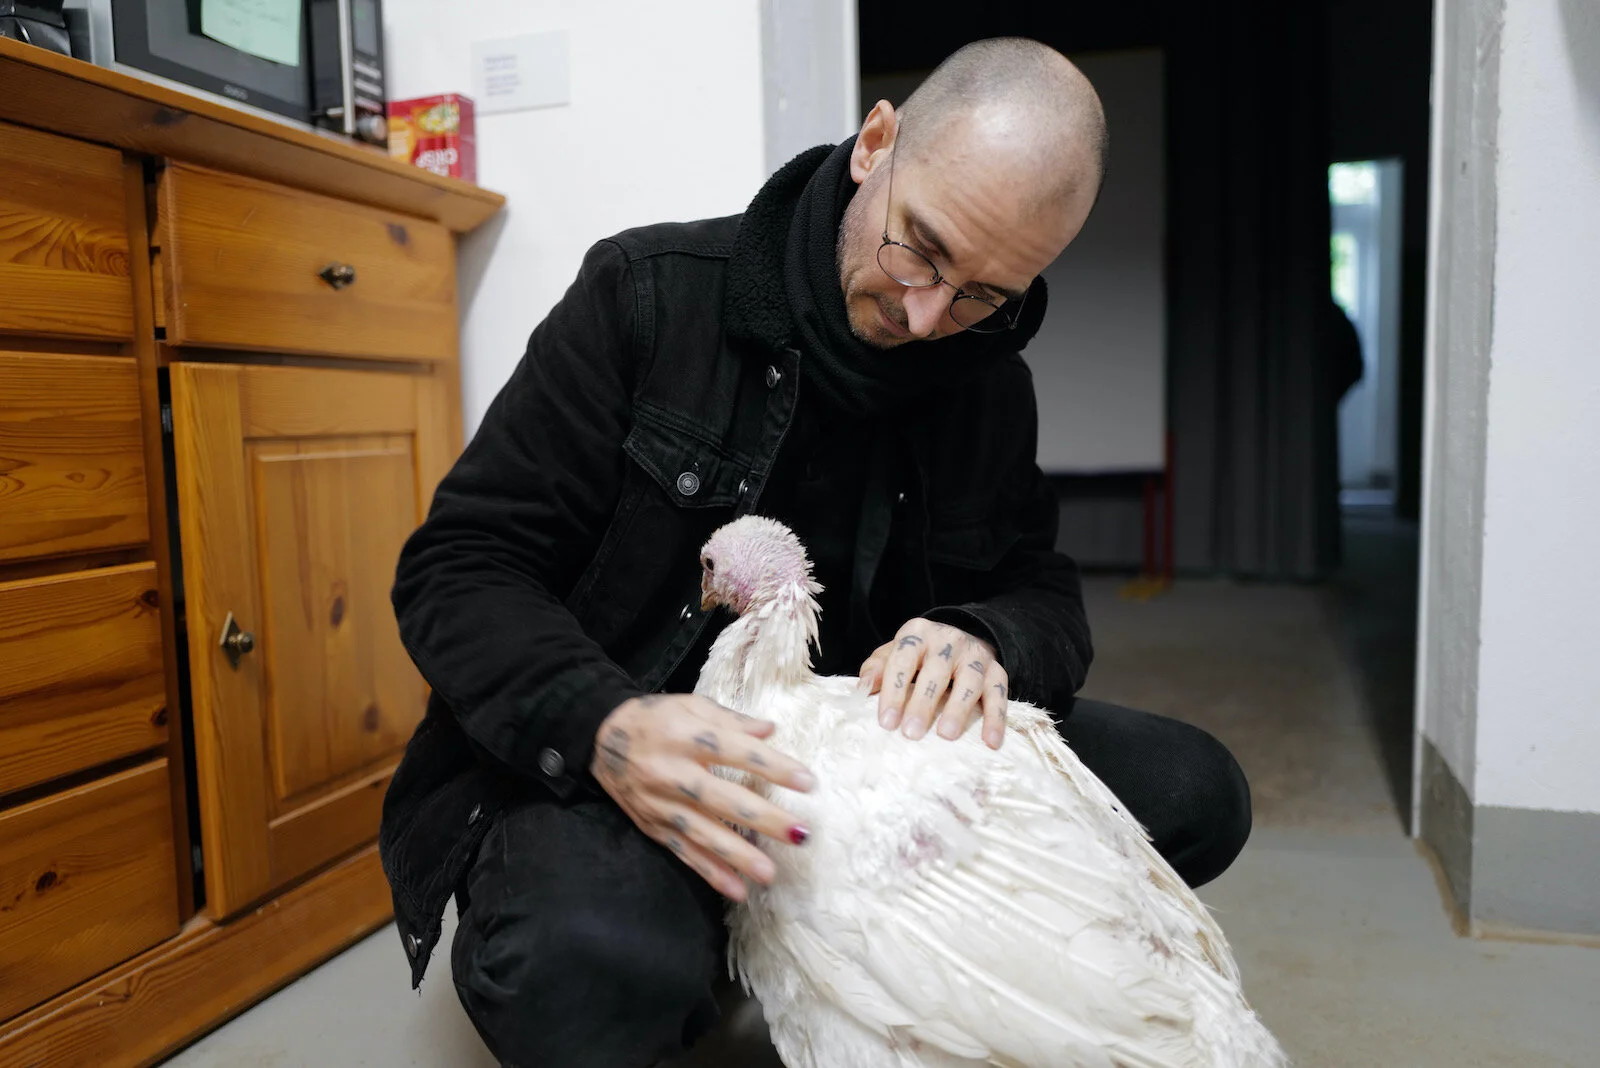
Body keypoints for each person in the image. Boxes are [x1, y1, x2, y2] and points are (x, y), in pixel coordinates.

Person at [379, 37, 1252, 1068]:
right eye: (919, 249)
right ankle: (708, 925)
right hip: (645, 751)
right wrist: (602, 724)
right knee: (583, 965)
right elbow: (459, 563)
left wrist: (985, 637)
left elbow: (1040, 586)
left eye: (984, 292)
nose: (927, 315)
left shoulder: (986, 377)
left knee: (1196, 792)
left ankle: (820, 923)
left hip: (863, 772)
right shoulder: (647, 295)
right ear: (874, 144)